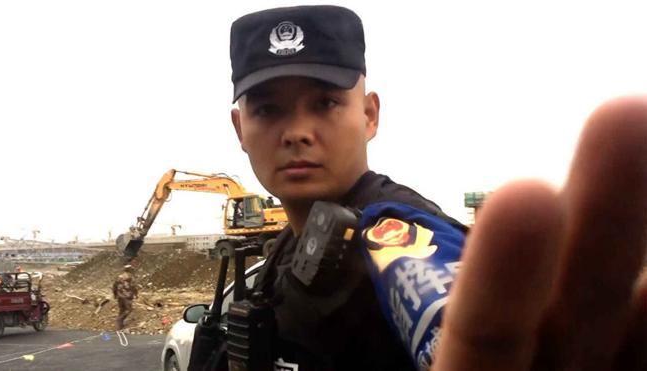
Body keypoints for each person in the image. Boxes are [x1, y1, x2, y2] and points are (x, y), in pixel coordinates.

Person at [227, 5, 646, 371]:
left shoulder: (391, 232)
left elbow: (448, 300)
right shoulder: (288, 245)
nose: (297, 132)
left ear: (370, 115)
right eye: (268, 109)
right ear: (240, 128)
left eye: (324, 103)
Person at [112, 264, 138, 330]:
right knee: (129, 310)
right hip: (127, 296)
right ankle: (120, 320)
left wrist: (115, 295)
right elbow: (133, 287)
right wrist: (136, 294)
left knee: (121, 309)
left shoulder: (119, 277)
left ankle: (119, 326)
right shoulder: (131, 277)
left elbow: (114, 286)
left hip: (119, 296)